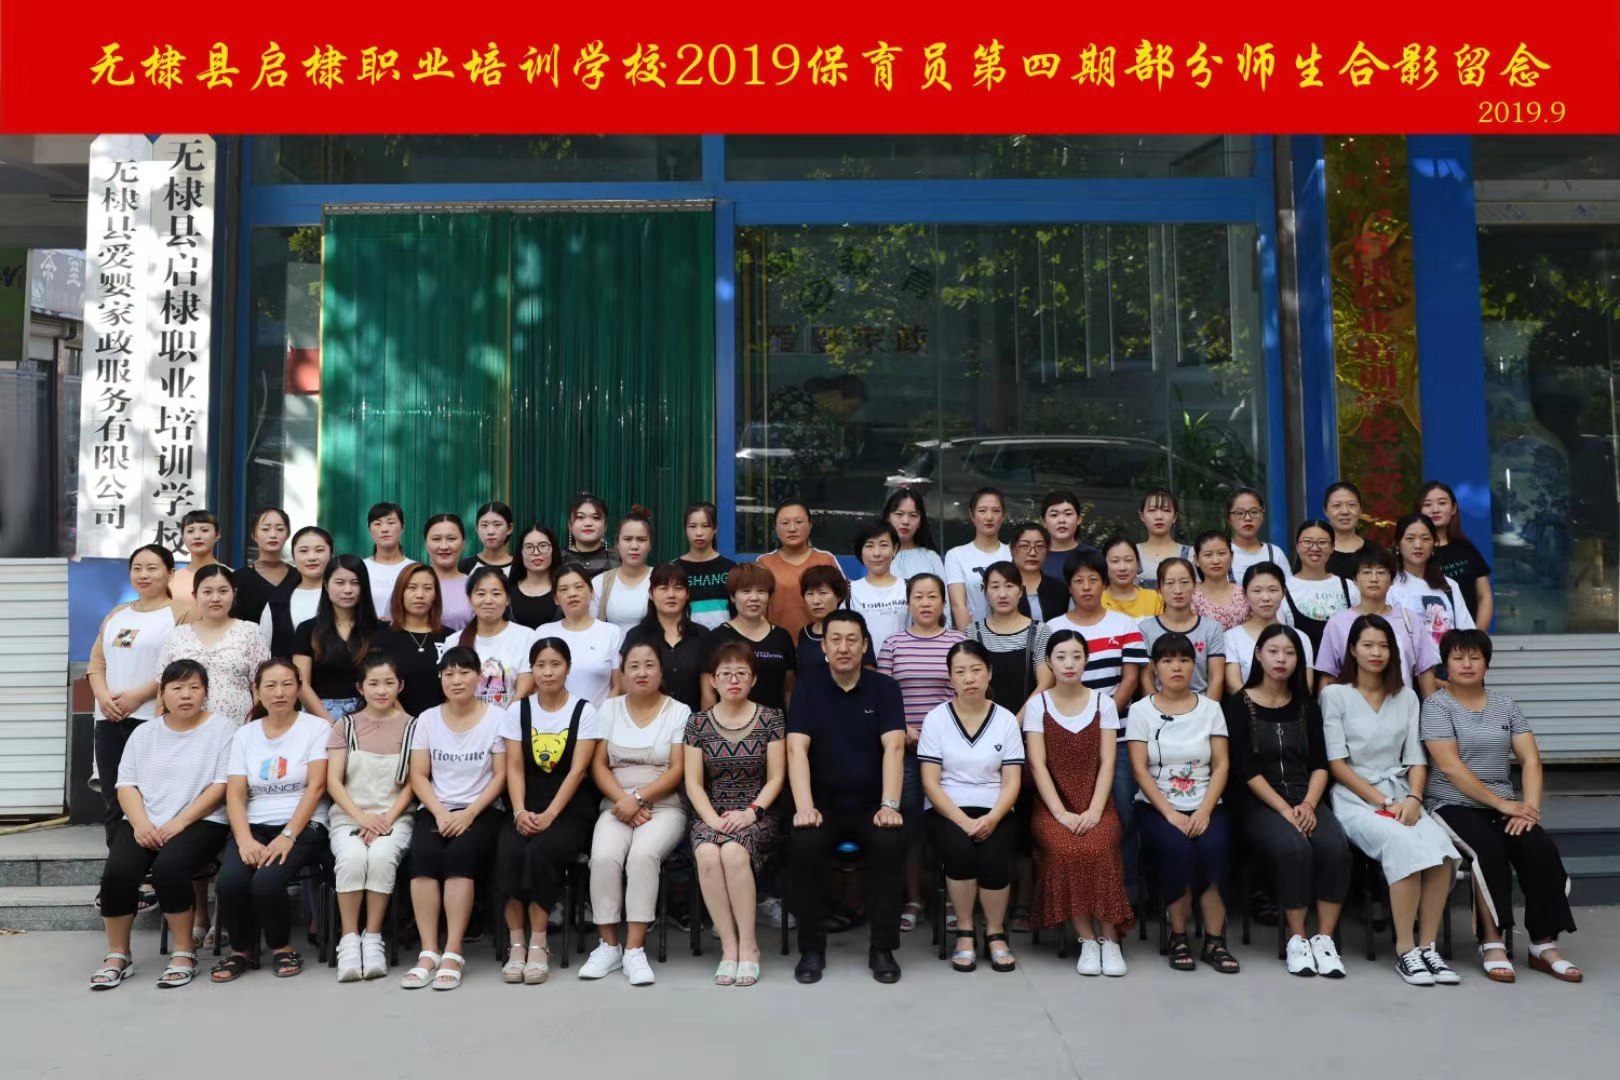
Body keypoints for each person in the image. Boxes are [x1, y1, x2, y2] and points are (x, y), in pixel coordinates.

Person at [1421, 629, 1580, 983]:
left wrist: (1529, 808)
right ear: (1446, 664)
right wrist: (1502, 804)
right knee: (1488, 851)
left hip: (1504, 805)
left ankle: (1543, 944)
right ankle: (1491, 942)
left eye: (1474, 657)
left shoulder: (1506, 705)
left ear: (1487, 664)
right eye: (1458, 658)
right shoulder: (1436, 707)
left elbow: (1530, 759)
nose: (1466, 664)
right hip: (1452, 803)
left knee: (1539, 847)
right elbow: (1450, 767)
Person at [1321, 615, 1460, 987]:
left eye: (1383, 646)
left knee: (1441, 849)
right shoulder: (1334, 695)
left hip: (1403, 794)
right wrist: (1384, 802)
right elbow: (1337, 764)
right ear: (1353, 649)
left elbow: (1416, 758)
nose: (1376, 652)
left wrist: (1413, 798)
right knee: (1401, 844)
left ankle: (1428, 946)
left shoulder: (1406, 696)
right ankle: (1405, 949)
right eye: (1368, 645)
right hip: (1356, 798)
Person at [89, 659, 232, 990]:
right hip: (146, 820)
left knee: (170, 867)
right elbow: (126, 785)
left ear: (206, 693)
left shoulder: (222, 729)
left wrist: (179, 822)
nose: (186, 695)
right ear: (162, 693)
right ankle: (118, 954)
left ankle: (184, 952)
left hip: (201, 820)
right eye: (177, 688)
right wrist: (140, 824)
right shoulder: (144, 733)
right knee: (118, 872)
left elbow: (221, 786)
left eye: (194, 687)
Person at [1223, 625, 1350, 977]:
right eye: (1273, 651)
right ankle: (1297, 938)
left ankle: (1324, 939)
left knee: (1334, 848)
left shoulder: (1307, 705)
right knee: (1295, 849)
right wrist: (1283, 809)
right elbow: (1245, 769)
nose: (1281, 659)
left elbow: (1320, 764)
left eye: (1290, 653)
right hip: (1259, 801)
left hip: (1304, 796)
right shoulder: (1239, 705)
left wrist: (1308, 804)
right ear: (1258, 655)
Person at [787, 611, 907, 985]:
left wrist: (889, 805)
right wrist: (805, 807)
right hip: (822, 805)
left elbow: (894, 748)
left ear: (864, 645)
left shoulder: (885, 688)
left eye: (852, 639)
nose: (843, 647)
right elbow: (796, 749)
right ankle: (811, 949)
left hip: (872, 804)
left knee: (890, 844)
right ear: (823, 647)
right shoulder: (807, 687)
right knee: (805, 846)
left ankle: (882, 948)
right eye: (835, 639)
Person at [210, 659, 330, 983]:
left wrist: (289, 835)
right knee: (230, 882)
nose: (279, 693)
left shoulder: (316, 728)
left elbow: (317, 787)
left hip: (303, 825)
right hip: (254, 825)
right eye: (271, 686)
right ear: (257, 690)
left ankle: (281, 947)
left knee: (266, 881)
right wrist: (244, 840)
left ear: (299, 688)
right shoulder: (245, 734)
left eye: (287, 684)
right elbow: (235, 794)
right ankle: (241, 950)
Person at [1023, 630, 1133, 977]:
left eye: (1076, 656)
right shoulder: (1038, 705)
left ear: (1086, 660)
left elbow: (1109, 762)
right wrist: (1060, 813)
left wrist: (1096, 811)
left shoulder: (1103, 703)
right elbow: (1037, 764)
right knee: (1066, 849)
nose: (1069, 663)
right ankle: (1087, 939)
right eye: (1060, 657)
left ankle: (1110, 938)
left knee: (1101, 847)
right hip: (1052, 806)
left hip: (1097, 803)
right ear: (1049, 662)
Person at [1125, 633, 1237, 974]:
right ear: (1155, 668)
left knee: (1214, 848)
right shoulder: (1141, 711)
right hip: (1157, 806)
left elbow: (1221, 765)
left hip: (1206, 803)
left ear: (1194, 665)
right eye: (1168, 661)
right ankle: (1178, 936)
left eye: (1184, 660)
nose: (1177, 667)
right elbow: (1139, 769)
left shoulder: (1211, 709)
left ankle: (1215, 941)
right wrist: (1171, 813)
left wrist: (1204, 810)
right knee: (1179, 849)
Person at [581, 642, 691, 987]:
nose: (642, 672)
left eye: (649, 665)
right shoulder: (609, 708)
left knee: (643, 856)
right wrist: (624, 801)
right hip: (617, 803)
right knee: (603, 857)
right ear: (624, 672)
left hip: (664, 805)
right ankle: (608, 946)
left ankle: (634, 950)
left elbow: (678, 769)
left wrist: (640, 798)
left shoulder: (679, 711)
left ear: (661, 671)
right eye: (634, 666)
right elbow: (598, 765)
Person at [497, 638, 602, 985]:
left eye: (555, 664)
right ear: (532, 669)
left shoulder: (584, 710)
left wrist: (550, 815)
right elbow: (514, 767)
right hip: (524, 801)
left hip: (569, 807)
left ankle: (539, 942)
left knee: (541, 851)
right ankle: (516, 943)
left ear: (568, 668)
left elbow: (578, 771)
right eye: (540, 665)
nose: (547, 672)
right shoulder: (518, 711)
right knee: (510, 851)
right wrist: (518, 812)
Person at [402, 647, 508, 991]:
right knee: (423, 856)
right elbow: (419, 775)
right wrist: (440, 812)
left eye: (464, 672)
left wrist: (470, 813)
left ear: (479, 677)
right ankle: (428, 950)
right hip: (437, 808)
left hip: (482, 810)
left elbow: (501, 775)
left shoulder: (497, 718)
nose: (456, 680)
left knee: (460, 857)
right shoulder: (427, 719)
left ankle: (453, 950)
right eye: (448, 674)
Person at [919, 641, 1025, 974]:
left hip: (996, 809)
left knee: (994, 857)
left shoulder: (1005, 720)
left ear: (989, 673)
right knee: (960, 852)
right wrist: (963, 821)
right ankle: (965, 931)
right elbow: (930, 783)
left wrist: (993, 817)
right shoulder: (936, 719)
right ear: (950, 678)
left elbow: (1012, 782)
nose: (969, 678)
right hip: (947, 809)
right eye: (961, 672)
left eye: (976, 670)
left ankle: (995, 932)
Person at [685, 642, 786, 987]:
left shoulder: (771, 718)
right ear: (712, 680)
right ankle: (729, 947)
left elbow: (776, 778)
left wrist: (752, 813)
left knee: (732, 851)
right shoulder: (697, 723)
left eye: (741, 673)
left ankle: (749, 945)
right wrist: (712, 820)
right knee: (707, 853)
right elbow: (693, 783)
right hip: (711, 811)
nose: (733, 680)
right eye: (725, 673)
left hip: (757, 812)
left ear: (753, 679)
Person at [878, 573, 965, 933]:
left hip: (951, 750)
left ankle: (952, 899)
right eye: (918, 596)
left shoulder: (959, 642)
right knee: (910, 826)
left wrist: (938, 735)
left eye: (932, 596)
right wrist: (904, 729)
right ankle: (914, 898)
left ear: (943, 602)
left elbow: (965, 694)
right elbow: (883, 696)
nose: (926, 603)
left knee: (950, 824)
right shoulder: (893, 644)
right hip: (905, 750)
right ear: (908, 602)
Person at [326, 654, 417, 983]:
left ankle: (373, 936)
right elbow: (333, 781)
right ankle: (349, 939)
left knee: (380, 857)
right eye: (374, 683)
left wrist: (386, 819)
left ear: (400, 686)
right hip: (350, 816)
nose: (381, 690)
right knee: (351, 859)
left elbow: (414, 782)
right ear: (360, 688)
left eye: (389, 683)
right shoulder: (345, 726)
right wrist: (361, 817)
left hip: (396, 817)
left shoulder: (414, 727)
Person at [88, 544, 177, 841]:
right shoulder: (117, 614)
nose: (143, 575)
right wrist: (103, 697)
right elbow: (96, 663)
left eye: (152, 568)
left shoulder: (181, 614)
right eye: (137, 568)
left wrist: (138, 696)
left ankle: (151, 863)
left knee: (151, 796)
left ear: (170, 573)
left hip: (152, 718)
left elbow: (180, 667)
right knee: (114, 797)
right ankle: (118, 865)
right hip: (109, 718)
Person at [1315, 546, 1441, 698]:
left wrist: (1431, 711)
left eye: (1381, 572)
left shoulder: (1410, 620)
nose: (1374, 579)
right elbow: (1328, 676)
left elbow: (1425, 672)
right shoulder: (1337, 623)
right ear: (1354, 579)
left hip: (1401, 706)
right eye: (1366, 572)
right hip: (1351, 708)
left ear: (1392, 580)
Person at [160, 565, 271, 726]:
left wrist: (255, 728)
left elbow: (260, 685)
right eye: (207, 592)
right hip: (185, 728)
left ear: (234, 593)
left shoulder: (250, 632)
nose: (215, 598)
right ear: (195, 595)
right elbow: (163, 687)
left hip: (237, 727)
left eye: (223, 591)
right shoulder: (177, 635)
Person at [292, 554, 381, 722]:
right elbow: (302, 684)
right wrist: (330, 723)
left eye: (355, 583)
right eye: (340, 583)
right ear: (326, 585)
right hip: (321, 716)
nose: (348, 590)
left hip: (369, 715)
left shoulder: (379, 630)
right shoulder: (307, 630)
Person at [700, 563, 797, 711]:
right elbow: (708, 693)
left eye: (761, 591)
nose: (754, 598)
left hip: (774, 724)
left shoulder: (782, 637)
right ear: (732, 596)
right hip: (728, 723)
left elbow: (788, 690)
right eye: (746, 591)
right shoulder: (716, 638)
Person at [619, 562, 709, 712]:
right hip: (648, 720)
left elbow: (708, 693)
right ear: (651, 594)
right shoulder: (637, 636)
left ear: (687, 594)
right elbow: (626, 687)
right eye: (663, 588)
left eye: (678, 588)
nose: (671, 595)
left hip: (693, 721)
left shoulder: (702, 635)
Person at [966, 561, 1055, 711]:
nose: (1002, 594)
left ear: (1020, 591)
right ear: (985, 592)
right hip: (985, 719)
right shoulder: (974, 632)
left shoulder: (1039, 631)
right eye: (995, 587)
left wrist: (1016, 721)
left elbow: (1046, 683)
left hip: (1030, 720)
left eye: (1009, 586)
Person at [1139, 557, 1226, 703]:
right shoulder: (1145, 629)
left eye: (1185, 582)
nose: (1178, 590)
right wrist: (1156, 710)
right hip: (1160, 708)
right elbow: (1146, 679)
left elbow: (1216, 678)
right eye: (1170, 583)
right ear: (1159, 589)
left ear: (1194, 586)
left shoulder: (1211, 628)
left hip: (1202, 706)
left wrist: (1207, 711)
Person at [535, 565, 625, 703]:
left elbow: (617, 686)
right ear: (555, 599)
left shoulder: (612, 632)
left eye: (578, 587)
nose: (572, 594)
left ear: (592, 592)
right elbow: (535, 684)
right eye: (564, 589)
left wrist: (602, 714)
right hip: (554, 715)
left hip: (600, 714)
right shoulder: (543, 633)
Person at [374, 563, 453, 718]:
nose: (420, 595)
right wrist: (406, 721)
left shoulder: (451, 638)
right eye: (412, 588)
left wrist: (437, 721)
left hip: (443, 722)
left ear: (436, 594)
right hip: (395, 721)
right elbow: (378, 684)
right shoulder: (382, 638)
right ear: (400, 593)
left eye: (427, 588)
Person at [756, 500, 842, 640]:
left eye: (799, 522)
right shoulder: (764, 563)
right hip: (777, 643)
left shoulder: (826, 559)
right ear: (776, 528)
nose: (792, 528)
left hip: (821, 642)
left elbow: (843, 603)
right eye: (785, 523)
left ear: (810, 525)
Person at [1224, 563, 1315, 692]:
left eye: (1273, 590)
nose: (1266, 598)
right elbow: (1233, 684)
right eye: (1257, 591)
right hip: (1245, 703)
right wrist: (1259, 702)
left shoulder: (1301, 638)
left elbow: (1306, 685)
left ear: (1283, 593)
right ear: (1244, 594)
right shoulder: (1231, 638)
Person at [1388, 513, 1476, 647]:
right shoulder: (1388, 585)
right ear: (1397, 544)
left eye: (1425, 539)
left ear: (1435, 543)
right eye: (1410, 539)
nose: (1418, 545)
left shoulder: (1448, 586)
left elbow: (1467, 633)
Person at [1417, 482, 1494, 628]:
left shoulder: (1466, 548)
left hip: (1467, 636)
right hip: (1426, 638)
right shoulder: (1414, 552)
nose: (1435, 509)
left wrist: (1477, 634)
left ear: (1453, 509)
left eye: (1442, 503)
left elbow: (1484, 596)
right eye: (1427, 504)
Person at [457, 565, 535, 708]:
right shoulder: (454, 641)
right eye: (481, 594)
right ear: (470, 599)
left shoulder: (526, 637)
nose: (488, 600)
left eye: (496, 594)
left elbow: (525, 688)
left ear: (507, 599)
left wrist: (505, 718)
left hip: (512, 719)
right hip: (468, 719)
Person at [1285, 519, 1360, 654]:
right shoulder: (1283, 589)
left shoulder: (1349, 587)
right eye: (1307, 542)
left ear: (1332, 547)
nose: (1315, 548)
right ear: (1297, 547)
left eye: (1322, 542)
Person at [260, 525, 333, 657]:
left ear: (331, 554)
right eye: (303, 551)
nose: (311, 557)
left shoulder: (345, 596)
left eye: (319, 550)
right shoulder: (277, 601)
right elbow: (264, 652)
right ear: (293, 556)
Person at [946, 487, 1010, 629]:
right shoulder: (956, 555)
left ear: (1003, 515)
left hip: (1010, 632)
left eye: (996, 511)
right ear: (972, 514)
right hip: (973, 633)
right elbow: (958, 605)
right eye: (982, 511)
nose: (989, 517)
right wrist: (970, 638)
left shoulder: (1012, 554)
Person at [796, 564, 875, 676]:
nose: (816, 601)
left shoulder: (856, 629)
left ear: (838, 596)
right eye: (809, 594)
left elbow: (869, 674)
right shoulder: (804, 633)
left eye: (823, 593)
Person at [848, 520, 909, 656]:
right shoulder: (850, 592)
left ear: (895, 549)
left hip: (903, 664)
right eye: (869, 546)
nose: (877, 553)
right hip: (863, 666)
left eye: (883, 545)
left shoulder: (909, 588)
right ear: (860, 551)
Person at [591, 509, 655, 630]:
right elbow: (592, 628)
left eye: (641, 539)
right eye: (627, 539)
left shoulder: (661, 579)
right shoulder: (601, 583)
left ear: (650, 544)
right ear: (617, 543)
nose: (634, 546)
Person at [677, 501, 738, 631]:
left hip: (724, 639)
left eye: (705, 526)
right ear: (685, 529)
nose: (699, 533)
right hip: (685, 638)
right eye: (692, 526)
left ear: (715, 528)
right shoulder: (674, 569)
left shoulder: (730, 568)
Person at [231, 507, 293, 625]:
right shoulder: (239, 578)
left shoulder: (299, 577)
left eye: (280, 529)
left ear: (288, 534)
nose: (273, 535)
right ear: (254, 535)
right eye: (265, 529)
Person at [169, 509, 226, 620]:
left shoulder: (232, 575)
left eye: (204, 530)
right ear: (183, 538)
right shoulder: (171, 579)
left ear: (217, 535)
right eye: (190, 531)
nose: (197, 536)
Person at [884, 487, 946, 588]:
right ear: (888, 518)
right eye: (899, 514)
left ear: (920, 522)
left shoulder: (931, 558)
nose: (905, 521)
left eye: (913, 515)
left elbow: (943, 596)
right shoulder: (877, 556)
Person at [1226, 488, 1290, 582]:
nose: (1248, 518)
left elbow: (1288, 588)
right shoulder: (1221, 554)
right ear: (1228, 519)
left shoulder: (1275, 554)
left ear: (1262, 516)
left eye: (1254, 512)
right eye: (1239, 513)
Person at [1191, 530, 1250, 630]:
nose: (1216, 561)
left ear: (1231, 557)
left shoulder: (1245, 595)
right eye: (1208, 555)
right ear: (1196, 560)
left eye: (1221, 553)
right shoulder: (1189, 595)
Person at [1010, 522, 1068, 624]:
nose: (1032, 553)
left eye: (1040, 546)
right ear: (1012, 549)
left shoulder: (1059, 588)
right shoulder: (999, 586)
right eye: (1025, 546)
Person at [424, 514, 473, 632]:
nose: (444, 546)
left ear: (463, 543)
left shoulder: (475, 585)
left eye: (451, 539)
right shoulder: (409, 583)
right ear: (426, 544)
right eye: (436, 539)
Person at [1135, 489, 1194, 588]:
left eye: (1166, 510)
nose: (1159, 516)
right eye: (1152, 510)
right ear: (1142, 516)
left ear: (1175, 517)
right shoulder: (1131, 554)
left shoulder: (1191, 554)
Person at [364, 502, 411, 621]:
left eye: (391, 523)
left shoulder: (413, 568)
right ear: (369, 529)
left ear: (402, 527)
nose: (384, 529)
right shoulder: (362, 567)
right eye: (377, 524)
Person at [509, 524, 561, 630]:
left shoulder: (564, 588)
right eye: (529, 547)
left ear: (553, 549)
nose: (536, 552)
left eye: (543, 546)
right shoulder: (507, 590)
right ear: (520, 552)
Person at [1101, 536, 1164, 618]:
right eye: (1115, 561)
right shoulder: (1096, 600)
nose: (1122, 568)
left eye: (1128, 560)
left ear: (1137, 564)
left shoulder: (1155, 599)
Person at [564, 493, 618, 577]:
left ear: (605, 525)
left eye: (596, 518)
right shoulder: (557, 559)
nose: (588, 523)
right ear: (569, 525)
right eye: (580, 517)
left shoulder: (618, 558)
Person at [1041, 490, 1089, 581]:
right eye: (1054, 515)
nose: (1061, 520)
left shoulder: (1092, 556)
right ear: (1044, 522)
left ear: (1079, 519)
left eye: (1068, 514)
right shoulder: (1033, 558)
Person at [1323, 481, 1367, 580]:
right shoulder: (1314, 552)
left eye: (1351, 505)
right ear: (1325, 511)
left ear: (1360, 510)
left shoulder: (1374, 552)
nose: (1345, 511)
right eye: (1337, 505)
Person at [459, 501, 515, 575]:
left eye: (497, 524)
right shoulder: (464, 566)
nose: (490, 532)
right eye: (484, 525)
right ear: (477, 529)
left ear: (509, 528)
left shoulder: (520, 567)